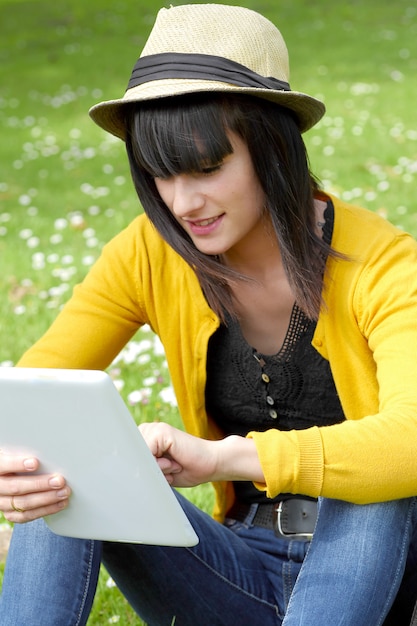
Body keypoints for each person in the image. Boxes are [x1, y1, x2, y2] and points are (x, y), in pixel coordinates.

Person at [0, 4, 417, 625]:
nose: (183, 203)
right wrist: (18, 468)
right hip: (236, 567)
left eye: (207, 167)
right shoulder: (149, 251)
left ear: (273, 146)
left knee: (377, 471)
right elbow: (32, 398)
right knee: (63, 464)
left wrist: (222, 458)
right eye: (160, 175)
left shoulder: (384, 264)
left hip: (373, 569)